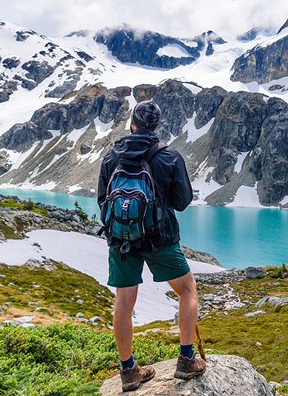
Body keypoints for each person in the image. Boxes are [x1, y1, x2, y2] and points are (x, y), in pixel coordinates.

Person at [97, 100, 206, 392]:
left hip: (122, 241)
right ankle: (186, 360)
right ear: (156, 126)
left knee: (124, 301)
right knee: (187, 290)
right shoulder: (169, 157)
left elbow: (102, 202)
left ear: (132, 124)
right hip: (161, 237)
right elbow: (182, 202)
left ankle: (129, 370)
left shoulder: (111, 157)